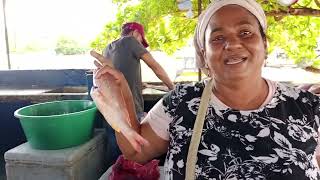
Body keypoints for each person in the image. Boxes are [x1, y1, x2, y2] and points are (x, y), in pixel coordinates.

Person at [91, 0, 320, 179]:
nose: (232, 44)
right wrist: (120, 96)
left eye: (245, 32)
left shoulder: (308, 107)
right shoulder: (180, 102)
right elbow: (135, 152)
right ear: (204, 56)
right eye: (218, 37)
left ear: (264, 44)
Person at [103, 22, 174, 121]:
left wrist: (138, 83)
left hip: (113, 108)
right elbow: (154, 66)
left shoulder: (107, 48)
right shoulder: (131, 40)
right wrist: (172, 88)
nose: (140, 43)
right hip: (131, 108)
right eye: (141, 39)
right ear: (135, 33)